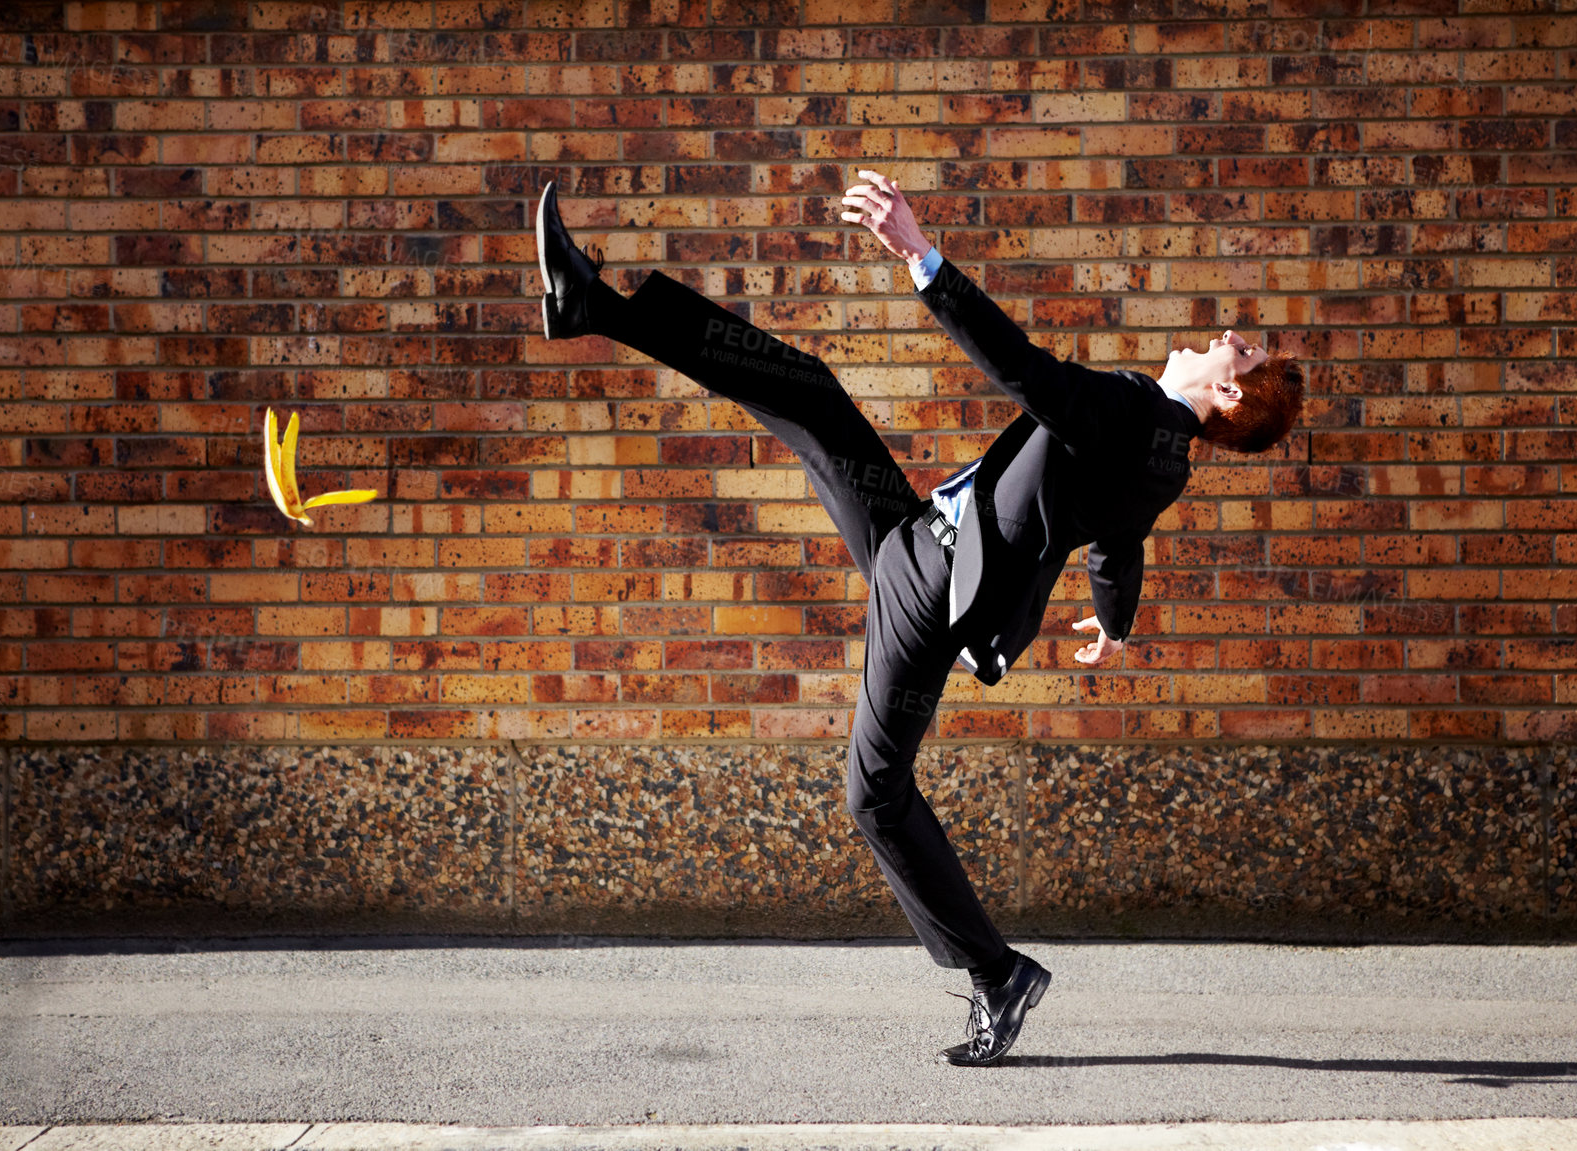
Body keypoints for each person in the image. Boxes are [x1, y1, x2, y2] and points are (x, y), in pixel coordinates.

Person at [535, 170, 1305, 1066]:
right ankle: (591, 301)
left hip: (930, 587)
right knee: (810, 393)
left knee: (875, 792)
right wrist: (1115, 623)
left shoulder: (1137, 412)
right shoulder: (1164, 455)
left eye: (1238, 354)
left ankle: (994, 974)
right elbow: (1116, 543)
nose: (1224, 340)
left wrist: (918, 252)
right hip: (920, 543)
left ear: (1236, 399)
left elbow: (1026, 372)